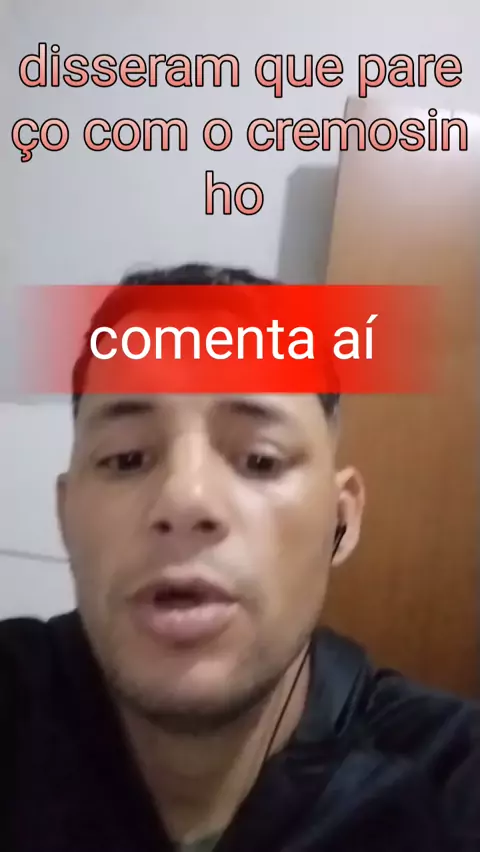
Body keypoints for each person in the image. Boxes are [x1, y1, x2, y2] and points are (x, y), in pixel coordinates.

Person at [1, 263, 478, 852]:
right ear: (66, 515)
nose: (185, 499)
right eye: (126, 459)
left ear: (341, 519)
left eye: (260, 460)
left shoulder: (453, 780)